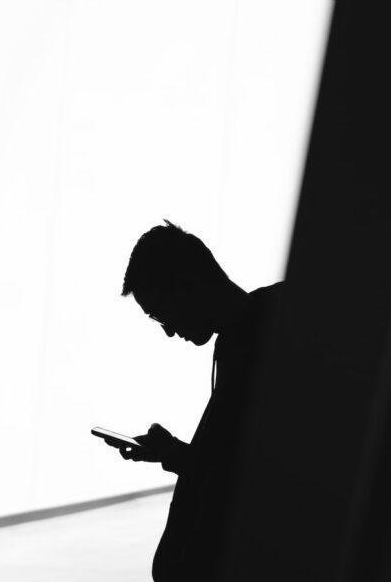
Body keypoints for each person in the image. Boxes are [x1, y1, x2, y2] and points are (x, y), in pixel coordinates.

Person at [108, 220, 282, 581]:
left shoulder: (259, 340)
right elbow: (228, 466)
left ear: (186, 286)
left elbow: (252, 481)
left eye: (160, 313)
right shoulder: (237, 342)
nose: (169, 330)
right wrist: (171, 452)